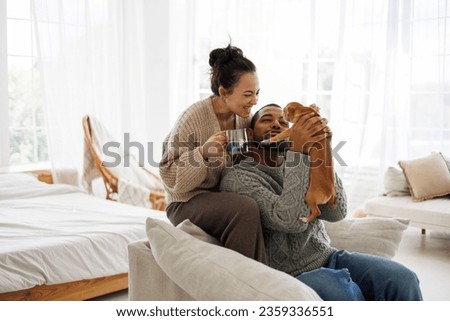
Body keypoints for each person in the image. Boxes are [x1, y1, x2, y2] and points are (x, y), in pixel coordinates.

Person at [220, 103, 423, 301]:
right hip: (289, 273)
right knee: (344, 294)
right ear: (251, 133)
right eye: (266, 119)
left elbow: (337, 212)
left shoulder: (303, 159)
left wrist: (321, 148)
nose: (276, 124)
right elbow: (290, 220)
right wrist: (298, 154)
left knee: (404, 279)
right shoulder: (239, 177)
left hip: (329, 256)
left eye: (283, 122)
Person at [159, 44, 266, 263]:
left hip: (219, 196)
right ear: (224, 92)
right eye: (248, 94)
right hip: (186, 201)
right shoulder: (193, 117)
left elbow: (243, 161)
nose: (254, 101)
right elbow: (171, 178)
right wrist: (202, 153)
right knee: (244, 209)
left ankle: (261, 279)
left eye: (256, 93)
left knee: (260, 205)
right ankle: (248, 285)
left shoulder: (244, 117)